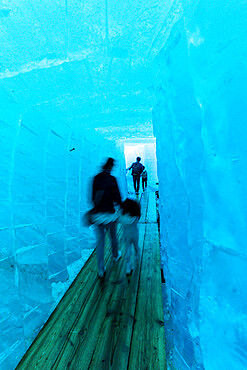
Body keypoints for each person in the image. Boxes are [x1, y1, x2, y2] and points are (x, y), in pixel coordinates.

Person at [92, 157, 122, 278]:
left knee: (100, 241)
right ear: (111, 167)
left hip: (98, 215)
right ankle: (115, 255)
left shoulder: (96, 179)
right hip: (110, 214)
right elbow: (117, 198)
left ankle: (100, 268)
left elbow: (91, 198)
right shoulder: (112, 179)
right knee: (113, 236)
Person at [119, 198, 141, 275]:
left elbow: (118, 217)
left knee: (128, 250)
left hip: (126, 235)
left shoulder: (122, 216)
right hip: (135, 234)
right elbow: (138, 218)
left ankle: (128, 266)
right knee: (136, 246)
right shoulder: (135, 216)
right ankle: (137, 253)